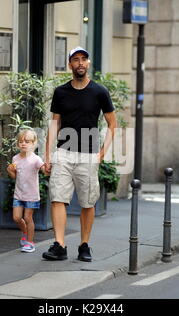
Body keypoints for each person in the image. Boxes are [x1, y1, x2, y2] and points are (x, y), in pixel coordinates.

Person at [43, 47, 117, 262]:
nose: (80, 63)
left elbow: (112, 124)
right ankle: (60, 245)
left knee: (87, 202)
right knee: (58, 198)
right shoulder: (61, 92)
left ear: (89, 63)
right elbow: (55, 124)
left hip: (89, 154)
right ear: (70, 65)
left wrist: (103, 153)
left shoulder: (99, 92)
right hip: (64, 153)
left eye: (84, 59)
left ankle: (84, 245)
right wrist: (48, 156)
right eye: (76, 60)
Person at [7, 129, 45, 253]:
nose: (23, 144)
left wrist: (48, 167)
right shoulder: (15, 158)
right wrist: (10, 170)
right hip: (18, 194)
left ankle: (30, 242)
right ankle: (24, 231)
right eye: (21, 141)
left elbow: (44, 169)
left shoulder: (36, 159)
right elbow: (15, 176)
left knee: (28, 218)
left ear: (33, 144)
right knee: (17, 218)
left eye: (27, 141)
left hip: (31, 195)